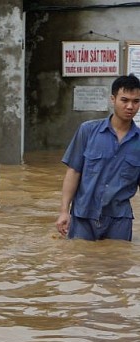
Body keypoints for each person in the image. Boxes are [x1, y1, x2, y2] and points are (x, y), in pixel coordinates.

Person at [56, 74, 140, 241]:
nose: (130, 106)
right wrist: (64, 211)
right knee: (81, 263)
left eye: (136, 101)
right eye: (124, 100)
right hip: (83, 217)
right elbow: (73, 172)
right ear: (113, 99)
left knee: (116, 262)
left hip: (119, 220)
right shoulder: (87, 131)